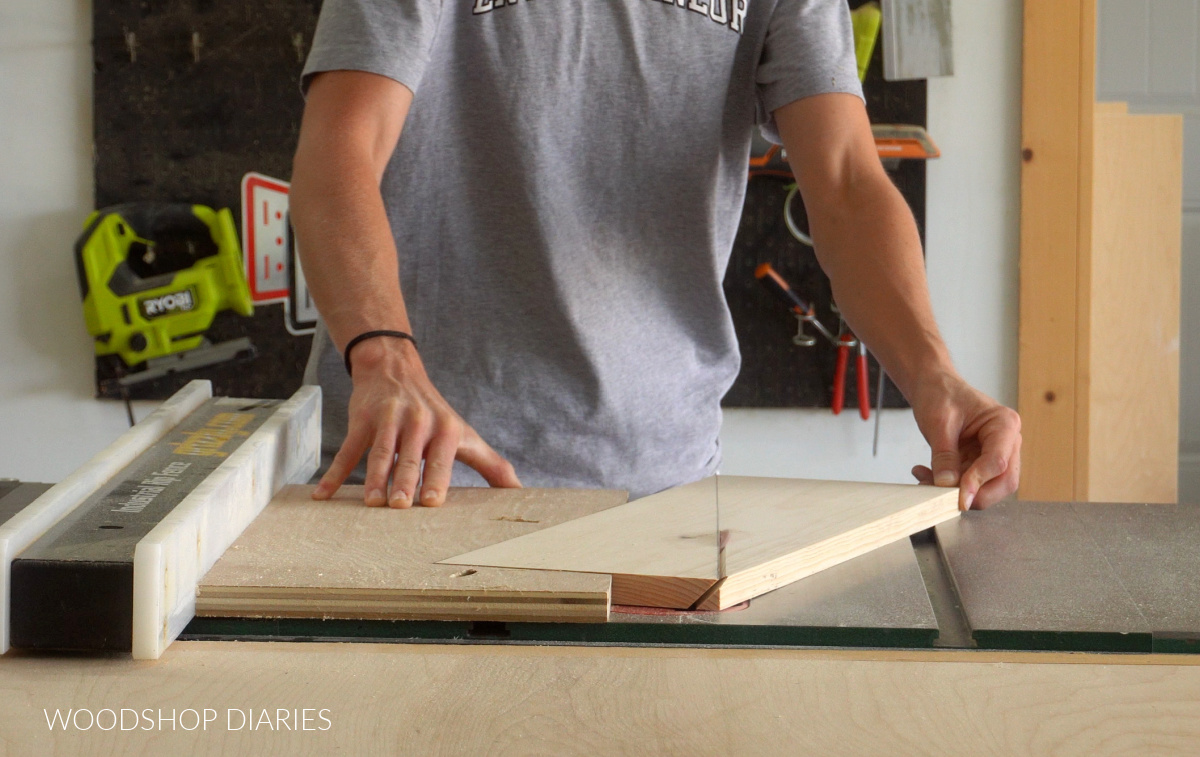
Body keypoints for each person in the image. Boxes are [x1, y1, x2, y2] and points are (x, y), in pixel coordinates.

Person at [290, 0, 1022, 511]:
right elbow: (339, 151)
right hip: (415, 470)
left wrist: (934, 374)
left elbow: (847, 185)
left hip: (656, 493)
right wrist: (382, 356)